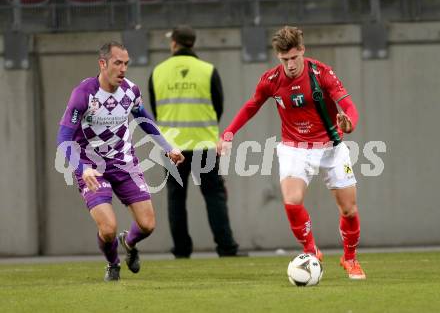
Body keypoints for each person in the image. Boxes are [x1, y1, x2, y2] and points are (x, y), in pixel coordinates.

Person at [217, 26, 366, 280]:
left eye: (294, 58)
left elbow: (348, 104)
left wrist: (349, 122)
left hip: (331, 147)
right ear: (278, 56)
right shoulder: (271, 80)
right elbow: (252, 106)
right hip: (294, 148)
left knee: (349, 209)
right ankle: (311, 252)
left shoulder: (321, 73)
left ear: (302, 51)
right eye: (285, 59)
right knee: (292, 200)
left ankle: (350, 259)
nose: (291, 64)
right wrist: (229, 132)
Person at [56, 41, 184, 281]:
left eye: (126, 63)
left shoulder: (131, 91)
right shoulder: (84, 93)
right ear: (102, 64)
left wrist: (168, 148)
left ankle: (129, 242)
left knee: (147, 225)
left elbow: (143, 119)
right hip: (92, 167)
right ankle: (112, 263)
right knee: (107, 229)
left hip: (125, 163)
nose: (123, 68)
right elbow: (63, 137)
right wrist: (82, 169)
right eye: (117, 63)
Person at [148, 25, 245, 258]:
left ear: (174, 43)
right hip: (204, 144)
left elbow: (155, 110)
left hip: (172, 148)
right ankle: (226, 247)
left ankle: (181, 250)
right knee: (214, 196)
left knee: (176, 198)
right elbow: (218, 106)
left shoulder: (158, 72)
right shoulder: (208, 70)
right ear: (192, 43)